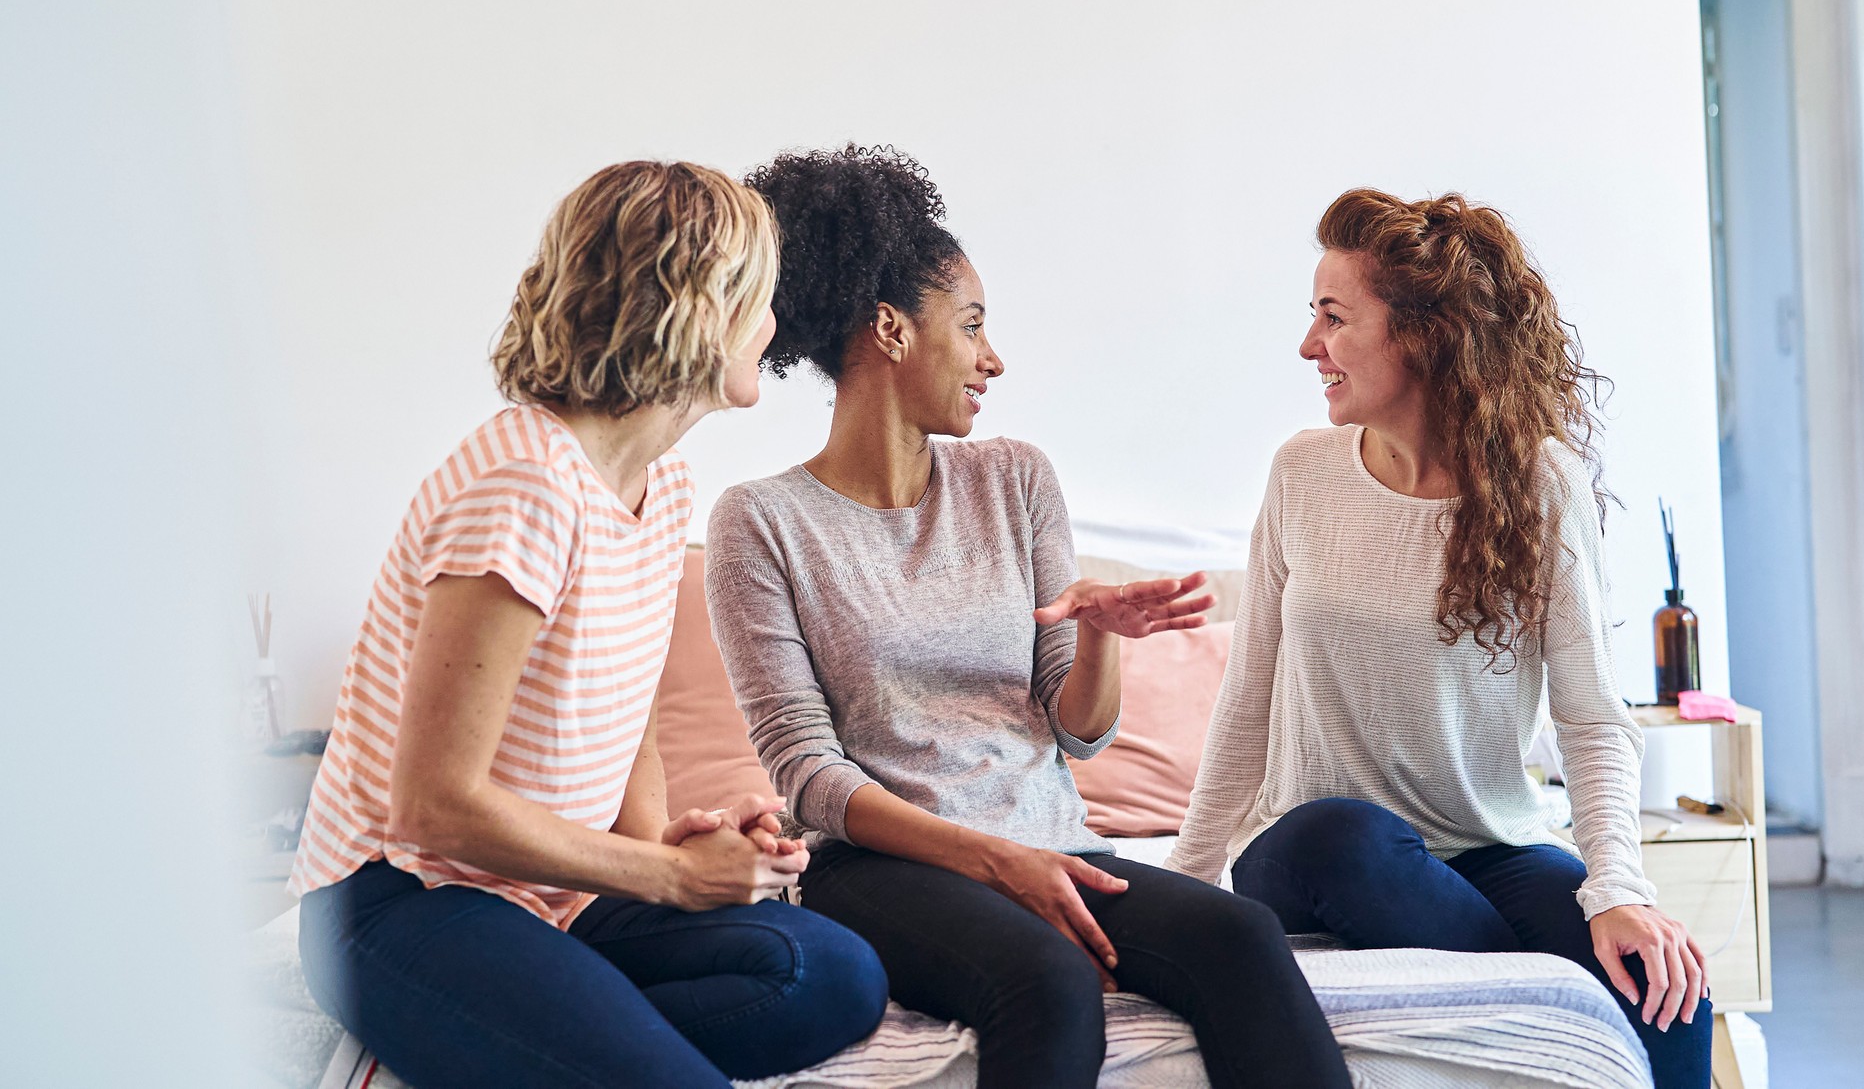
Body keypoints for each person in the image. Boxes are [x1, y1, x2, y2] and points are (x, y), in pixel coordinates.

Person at [704, 145, 1353, 1089]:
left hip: (1059, 842)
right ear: (890, 329)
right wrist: (996, 862)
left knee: (1240, 933)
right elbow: (807, 771)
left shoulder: (1016, 479)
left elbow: (1077, 733)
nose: (992, 359)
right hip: (880, 870)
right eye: (971, 327)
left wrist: (1097, 636)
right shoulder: (760, 522)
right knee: (1047, 979)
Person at [288, 161, 889, 1089]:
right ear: (700, 306)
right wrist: (672, 883)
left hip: (558, 892)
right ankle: (519, 1029)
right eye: (760, 301)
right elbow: (433, 806)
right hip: (405, 897)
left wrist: (659, 848)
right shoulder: (523, 483)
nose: (772, 328)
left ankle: (519, 1037)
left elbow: (627, 716)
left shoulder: (666, 484)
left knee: (837, 975)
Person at [1166, 188, 1712, 1087]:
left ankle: (1550, 1003)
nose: (1310, 347)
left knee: (1662, 982)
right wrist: (1186, 883)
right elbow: (1247, 694)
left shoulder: (1541, 482)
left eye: (1334, 319)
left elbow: (1590, 714)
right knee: (1344, 838)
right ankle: (1542, 999)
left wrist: (1616, 888)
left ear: (1422, 333)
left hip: (1487, 849)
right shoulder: (1302, 472)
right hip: (1306, 853)